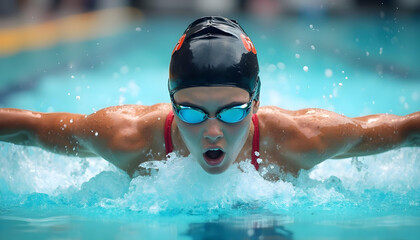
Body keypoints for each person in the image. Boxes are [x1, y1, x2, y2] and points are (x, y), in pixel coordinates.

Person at [0, 16, 419, 178]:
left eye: (233, 111)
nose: (213, 131)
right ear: (170, 103)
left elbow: (400, 131)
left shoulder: (299, 139)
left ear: (255, 103)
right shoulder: (127, 137)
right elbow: (31, 129)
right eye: (192, 112)